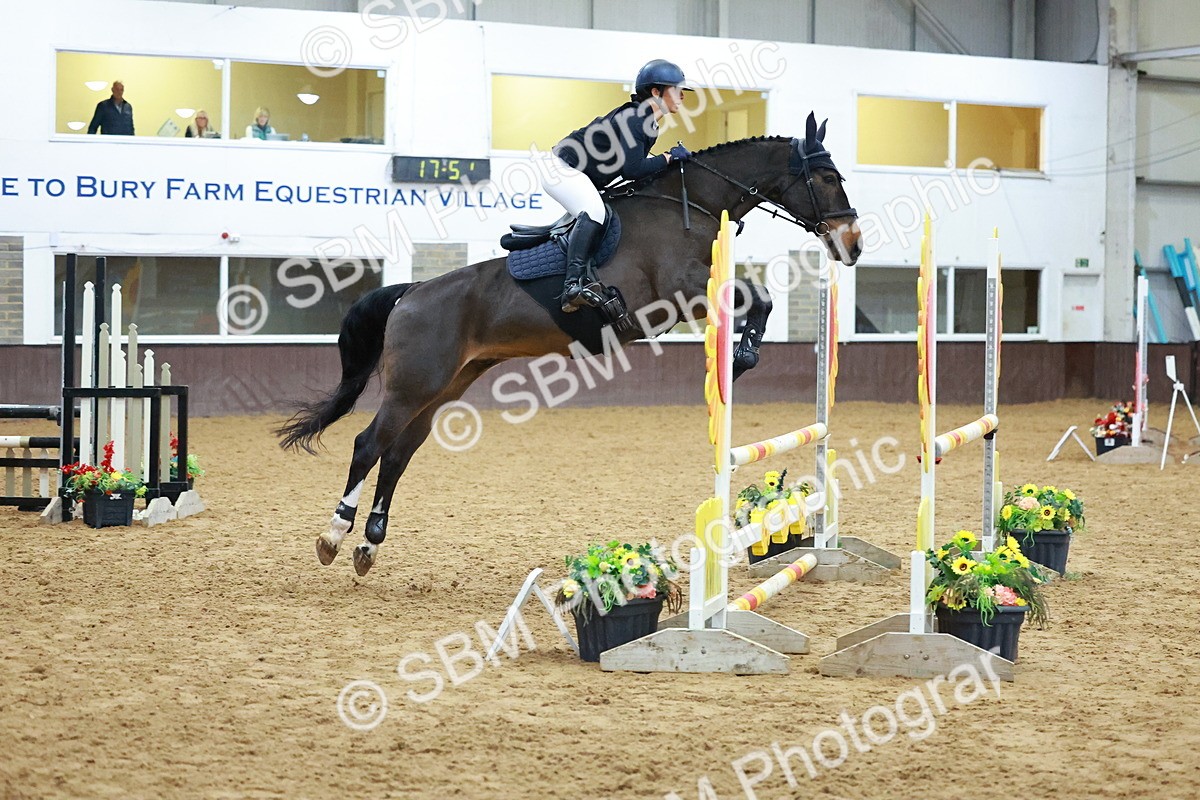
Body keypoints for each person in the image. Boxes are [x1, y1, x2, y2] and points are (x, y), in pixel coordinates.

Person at [544, 59, 692, 313]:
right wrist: (668, 158)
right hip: (561, 169)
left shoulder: (649, 123)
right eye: (676, 90)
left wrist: (666, 162)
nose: (682, 97)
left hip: (579, 172)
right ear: (656, 92)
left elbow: (637, 172)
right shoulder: (635, 118)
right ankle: (572, 287)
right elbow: (632, 170)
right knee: (595, 212)